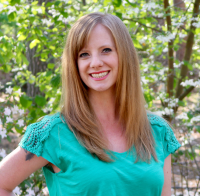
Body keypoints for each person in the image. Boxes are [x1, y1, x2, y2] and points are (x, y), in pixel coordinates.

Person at [0, 12, 181, 196]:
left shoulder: (158, 131)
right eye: (84, 54)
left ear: (125, 55)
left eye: (106, 50)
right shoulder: (52, 133)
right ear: (75, 64)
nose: (95, 63)